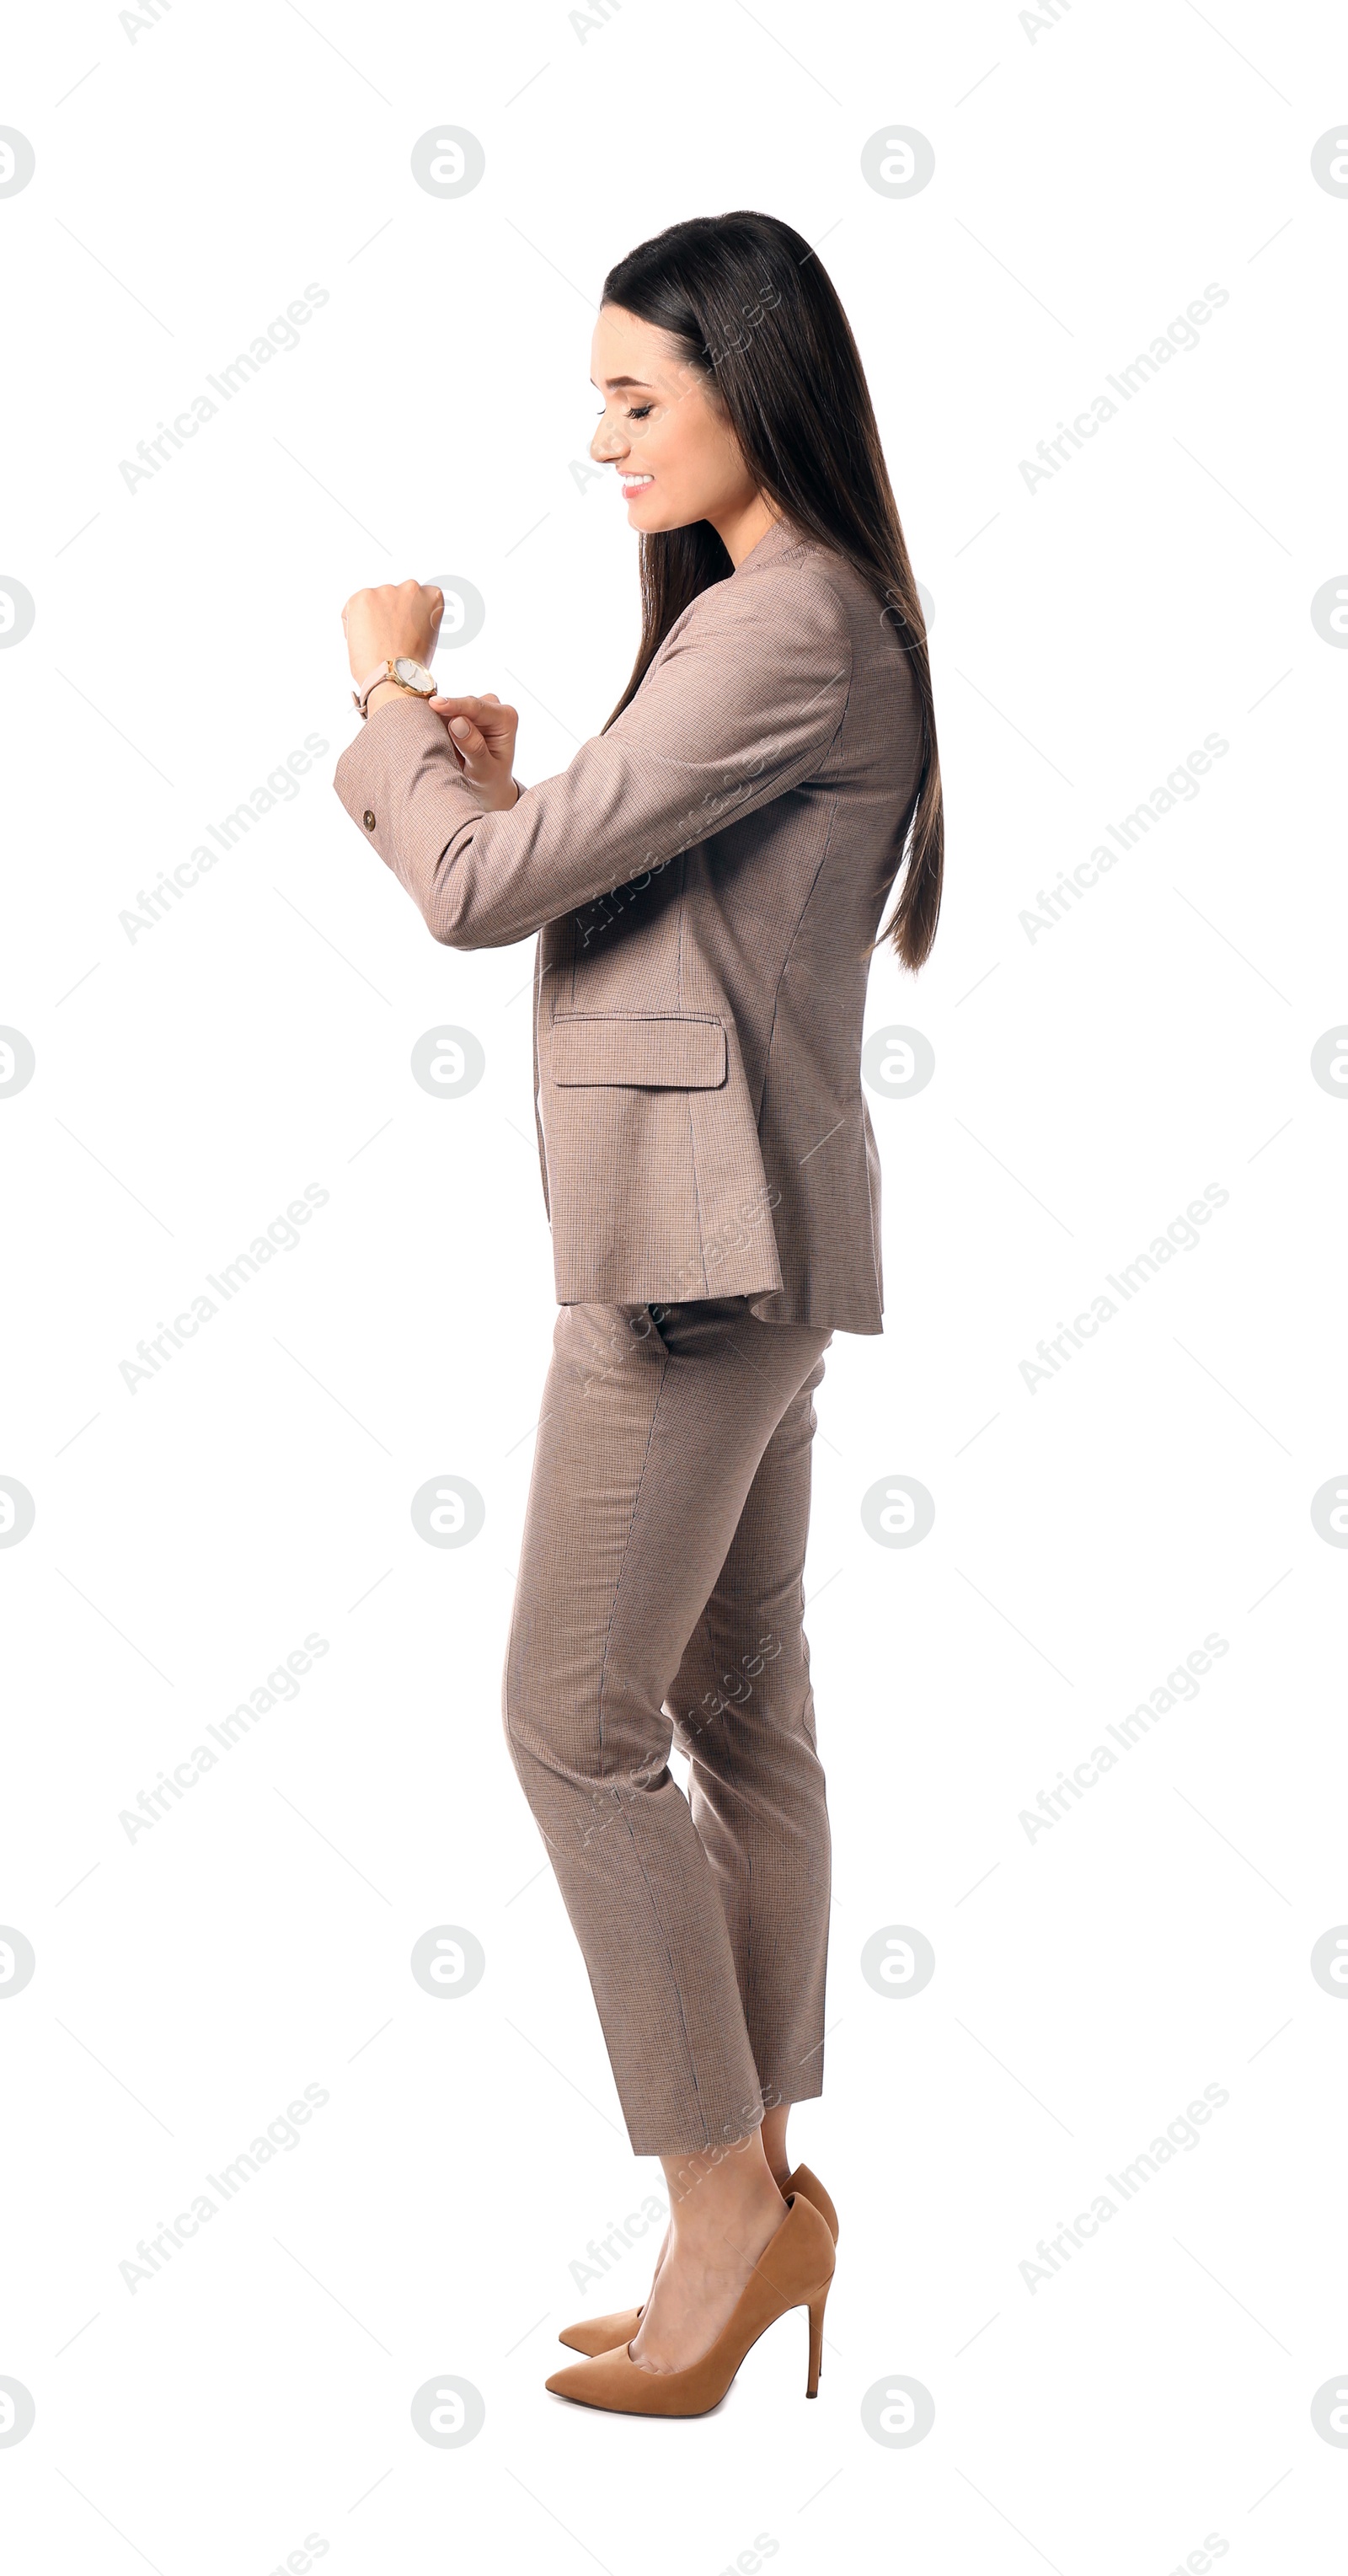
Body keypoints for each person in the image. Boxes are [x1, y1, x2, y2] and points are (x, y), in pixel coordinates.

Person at [334, 209, 942, 2417]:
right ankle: (762, 2195)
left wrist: (393, 705)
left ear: (750, 385)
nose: (599, 435)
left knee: (565, 1715)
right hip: (741, 1246)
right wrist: (488, 771)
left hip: (690, 1263)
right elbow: (597, 877)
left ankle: (714, 2204)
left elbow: (483, 895)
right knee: (740, 1719)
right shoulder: (787, 618)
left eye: (635, 395)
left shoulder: (786, 623)